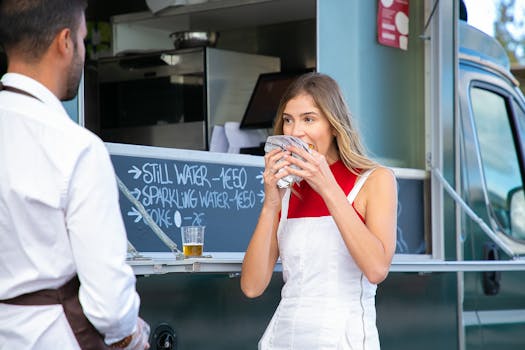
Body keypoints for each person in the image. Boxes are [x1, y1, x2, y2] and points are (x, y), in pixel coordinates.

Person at [0, 1, 150, 349]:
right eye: (83, 39)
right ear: (64, 42)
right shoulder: (76, 147)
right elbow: (110, 304)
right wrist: (132, 335)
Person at [241, 72, 398, 349]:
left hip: (344, 340)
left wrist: (326, 185)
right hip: (283, 339)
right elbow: (252, 287)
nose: (295, 131)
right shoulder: (289, 190)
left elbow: (376, 269)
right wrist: (271, 203)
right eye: (288, 120)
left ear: (335, 127)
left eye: (309, 119)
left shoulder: (375, 180)